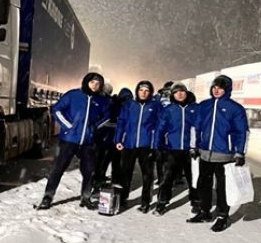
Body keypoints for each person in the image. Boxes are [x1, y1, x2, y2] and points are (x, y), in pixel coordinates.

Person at [35, 72, 109, 210]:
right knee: (58, 169)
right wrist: (68, 126)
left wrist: (94, 128)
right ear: (86, 82)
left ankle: (85, 197)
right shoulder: (73, 95)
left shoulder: (101, 100)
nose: (95, 85)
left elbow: (106, 117)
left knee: (89, 171)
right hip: (69, 140)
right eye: (92, 82)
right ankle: (48, 197)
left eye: (98, 84)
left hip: (88, 142)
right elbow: (56, 110)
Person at [188, 75, 249, 232]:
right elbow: (196, 127)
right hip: (205, 153)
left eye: (220, 87)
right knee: (203, 184)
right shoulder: (204, 105)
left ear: (227, 89)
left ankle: (222, 215)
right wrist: (193, 146)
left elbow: (242, 132)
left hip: (224, 155)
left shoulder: (235, 108)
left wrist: (240, 152)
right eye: (215, 87)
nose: (216, 90)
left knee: (222, 187)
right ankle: (204, 211)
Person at [115, 80, 162, 213]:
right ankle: (123, 199)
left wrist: (155, 144)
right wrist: (118, 139)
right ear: (137, 91)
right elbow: (121, 122)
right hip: (129, 144)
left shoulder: (156, 106)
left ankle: (145, 202)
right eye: (141, 90)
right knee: (125, 173)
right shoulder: (129, 105)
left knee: (147, 175)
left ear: (150, 92)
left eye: (146, 91)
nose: (143, 93)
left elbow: (160, 126)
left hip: (146, 145)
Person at [152, 82, 199, 215]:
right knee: (167, 178)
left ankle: (196, 202)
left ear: (187, 92)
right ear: (172, 94)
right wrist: (158, 147)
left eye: (182, 91)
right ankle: (161, 203)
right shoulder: (169, 110)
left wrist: (198, 146)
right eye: (176, 92)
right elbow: (160, 129)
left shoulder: (195, 108)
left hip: (191, 150)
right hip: (172, 148)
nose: (179, 94)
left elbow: (201, 128)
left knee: (193, 178)